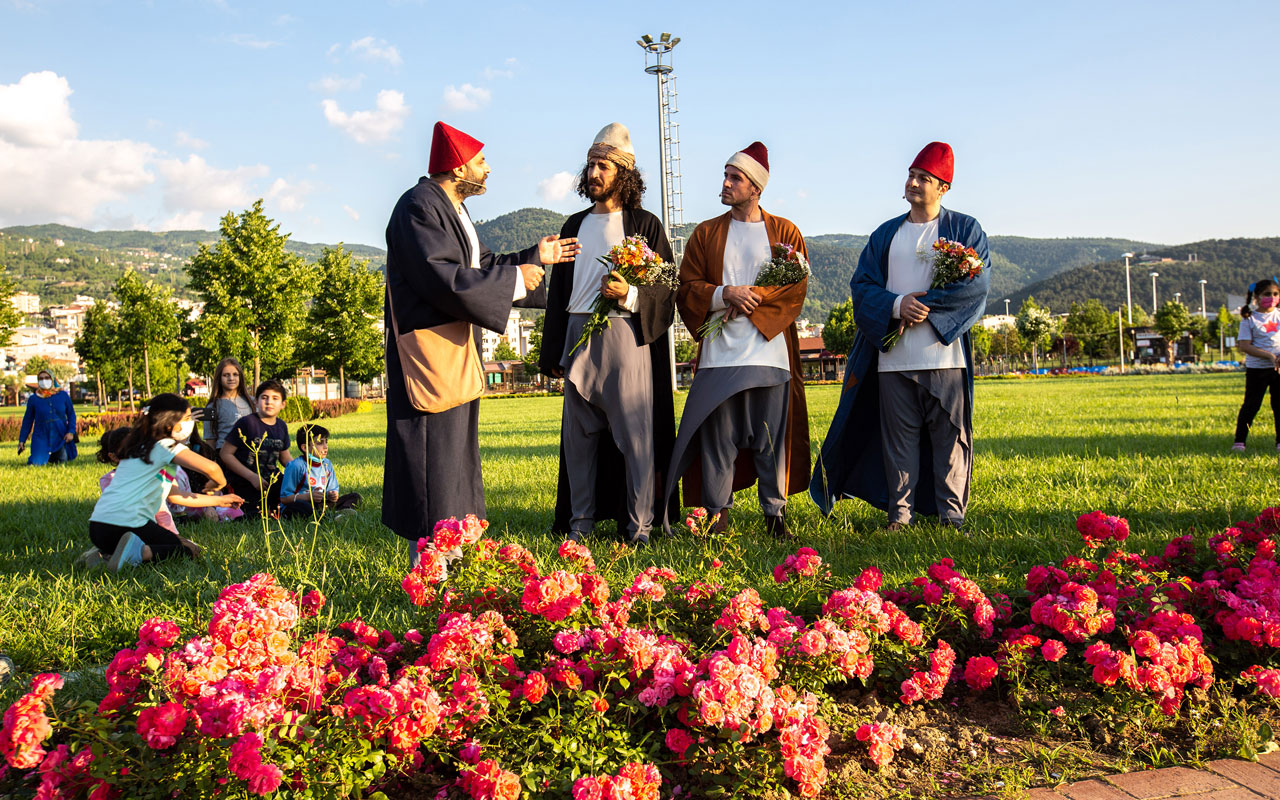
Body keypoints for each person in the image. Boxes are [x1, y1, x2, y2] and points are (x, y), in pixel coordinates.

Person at [382, 120, 579, 561]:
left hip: (452, 348)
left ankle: (455, 552)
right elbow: (442, 277)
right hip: (430, 355)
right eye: (481, 161)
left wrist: (534, 259)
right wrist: (513, 279)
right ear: (457, 167)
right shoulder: (418, 206)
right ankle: (433, 565)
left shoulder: (452, 209)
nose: (487, 169)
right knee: (435, 457)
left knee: (454, 457)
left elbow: (480, 263)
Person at [810, 142, 990, 531]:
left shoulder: (965, 229)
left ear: (944, 187)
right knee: (899, 443)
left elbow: (976, 284)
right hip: (893, 361)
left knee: (951, 440)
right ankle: (900, 516)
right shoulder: (886, 234)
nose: (913, 183)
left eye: (924, 178)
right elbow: (863, 286)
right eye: (911, 174)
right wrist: (895, 306)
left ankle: (952, 517)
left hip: (945, 358)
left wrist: (925, 307)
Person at [538, 123, 678, 546]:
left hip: (625, 336)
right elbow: (558, 294)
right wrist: (554, 352)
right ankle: (580, 524)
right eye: (590, 165)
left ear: (624, 173)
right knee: (577, 440)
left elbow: (669, 290)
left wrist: (630, 293)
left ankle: (640, 527)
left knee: (636, 438)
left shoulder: (645, 225)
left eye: (603, 166)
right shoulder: (573, 224)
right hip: (578, 336)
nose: (593, 173)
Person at [662, 142, 810, 539]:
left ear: (756, 187)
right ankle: (717, 518)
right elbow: (686, 287)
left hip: (770, 354)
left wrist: (754, 299)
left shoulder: (785, 232)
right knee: (717, 443)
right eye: (726, 176)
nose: (725, 184)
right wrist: (725, 294)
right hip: (719, 358)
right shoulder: (706, 233)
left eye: (735, 178)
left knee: (770, 441)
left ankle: (775, 518)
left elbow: (796, 287)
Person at [88, 394, 243, 571]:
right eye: (186, 418)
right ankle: (139, 553)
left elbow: (177, 497)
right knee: (186, 550)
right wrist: (218, 484)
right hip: (127, 524)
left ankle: (104, 555)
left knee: (182, 546)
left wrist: (220, 500)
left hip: (98, 527)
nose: (190, 422)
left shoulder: (139, 447)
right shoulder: (165, 445)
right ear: (170, 422)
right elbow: (212, 468)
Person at [220, 379, 293, 519]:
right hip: (245, 481)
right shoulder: (246, 423)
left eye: (275, 398)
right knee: (252, 514)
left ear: (283, 404)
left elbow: (285, 458)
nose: (269, 402)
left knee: (298, 501)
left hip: (272, 479)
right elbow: (226, 454)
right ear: (256, 401)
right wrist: (252, 477)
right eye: (264, 397)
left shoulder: (281, 426)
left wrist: (302, 471)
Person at [1232, 278, 1280, 452]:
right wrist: (1268, 356)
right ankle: (1239, 442)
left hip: (1278, 369)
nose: (1272, 297)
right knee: (1251, 405)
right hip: (1257, 370)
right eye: (1267, 294)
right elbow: (1245, 345)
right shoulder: (1249, 319)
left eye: (1275, 294)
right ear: (1257, 296)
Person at [280, 423, 362, 519]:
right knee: (302, 507)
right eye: (320, 443)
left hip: (321, 504)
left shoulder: (327, 464)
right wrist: (308, 497)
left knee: (355, 497)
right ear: (305, 448)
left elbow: (332, 489)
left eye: (326, 442)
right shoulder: (296, 466)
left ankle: (341, 513)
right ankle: (328, 517)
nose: (325, 446)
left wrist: (333, 495)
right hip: (302, 504)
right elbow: (284, 498)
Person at [17, 369, 77, 465]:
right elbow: (27, 421)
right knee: (35, 463)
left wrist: (71, 432)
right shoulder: (34, 399)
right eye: (41, 379)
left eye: (46, 378)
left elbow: (71, 415)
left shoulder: (63, 396)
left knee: (62, 461)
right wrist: (22, 441)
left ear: (52, 379)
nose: (44, 381)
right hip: (41, 437)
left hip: (60, 437)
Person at [204, 357, 256, 449]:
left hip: (250, 453)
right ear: (219, 378)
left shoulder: (252, 402)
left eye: (235, 374)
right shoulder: (211, 407)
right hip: (224, 455)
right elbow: (210, 442)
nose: (231, 378)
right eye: (226, 375)